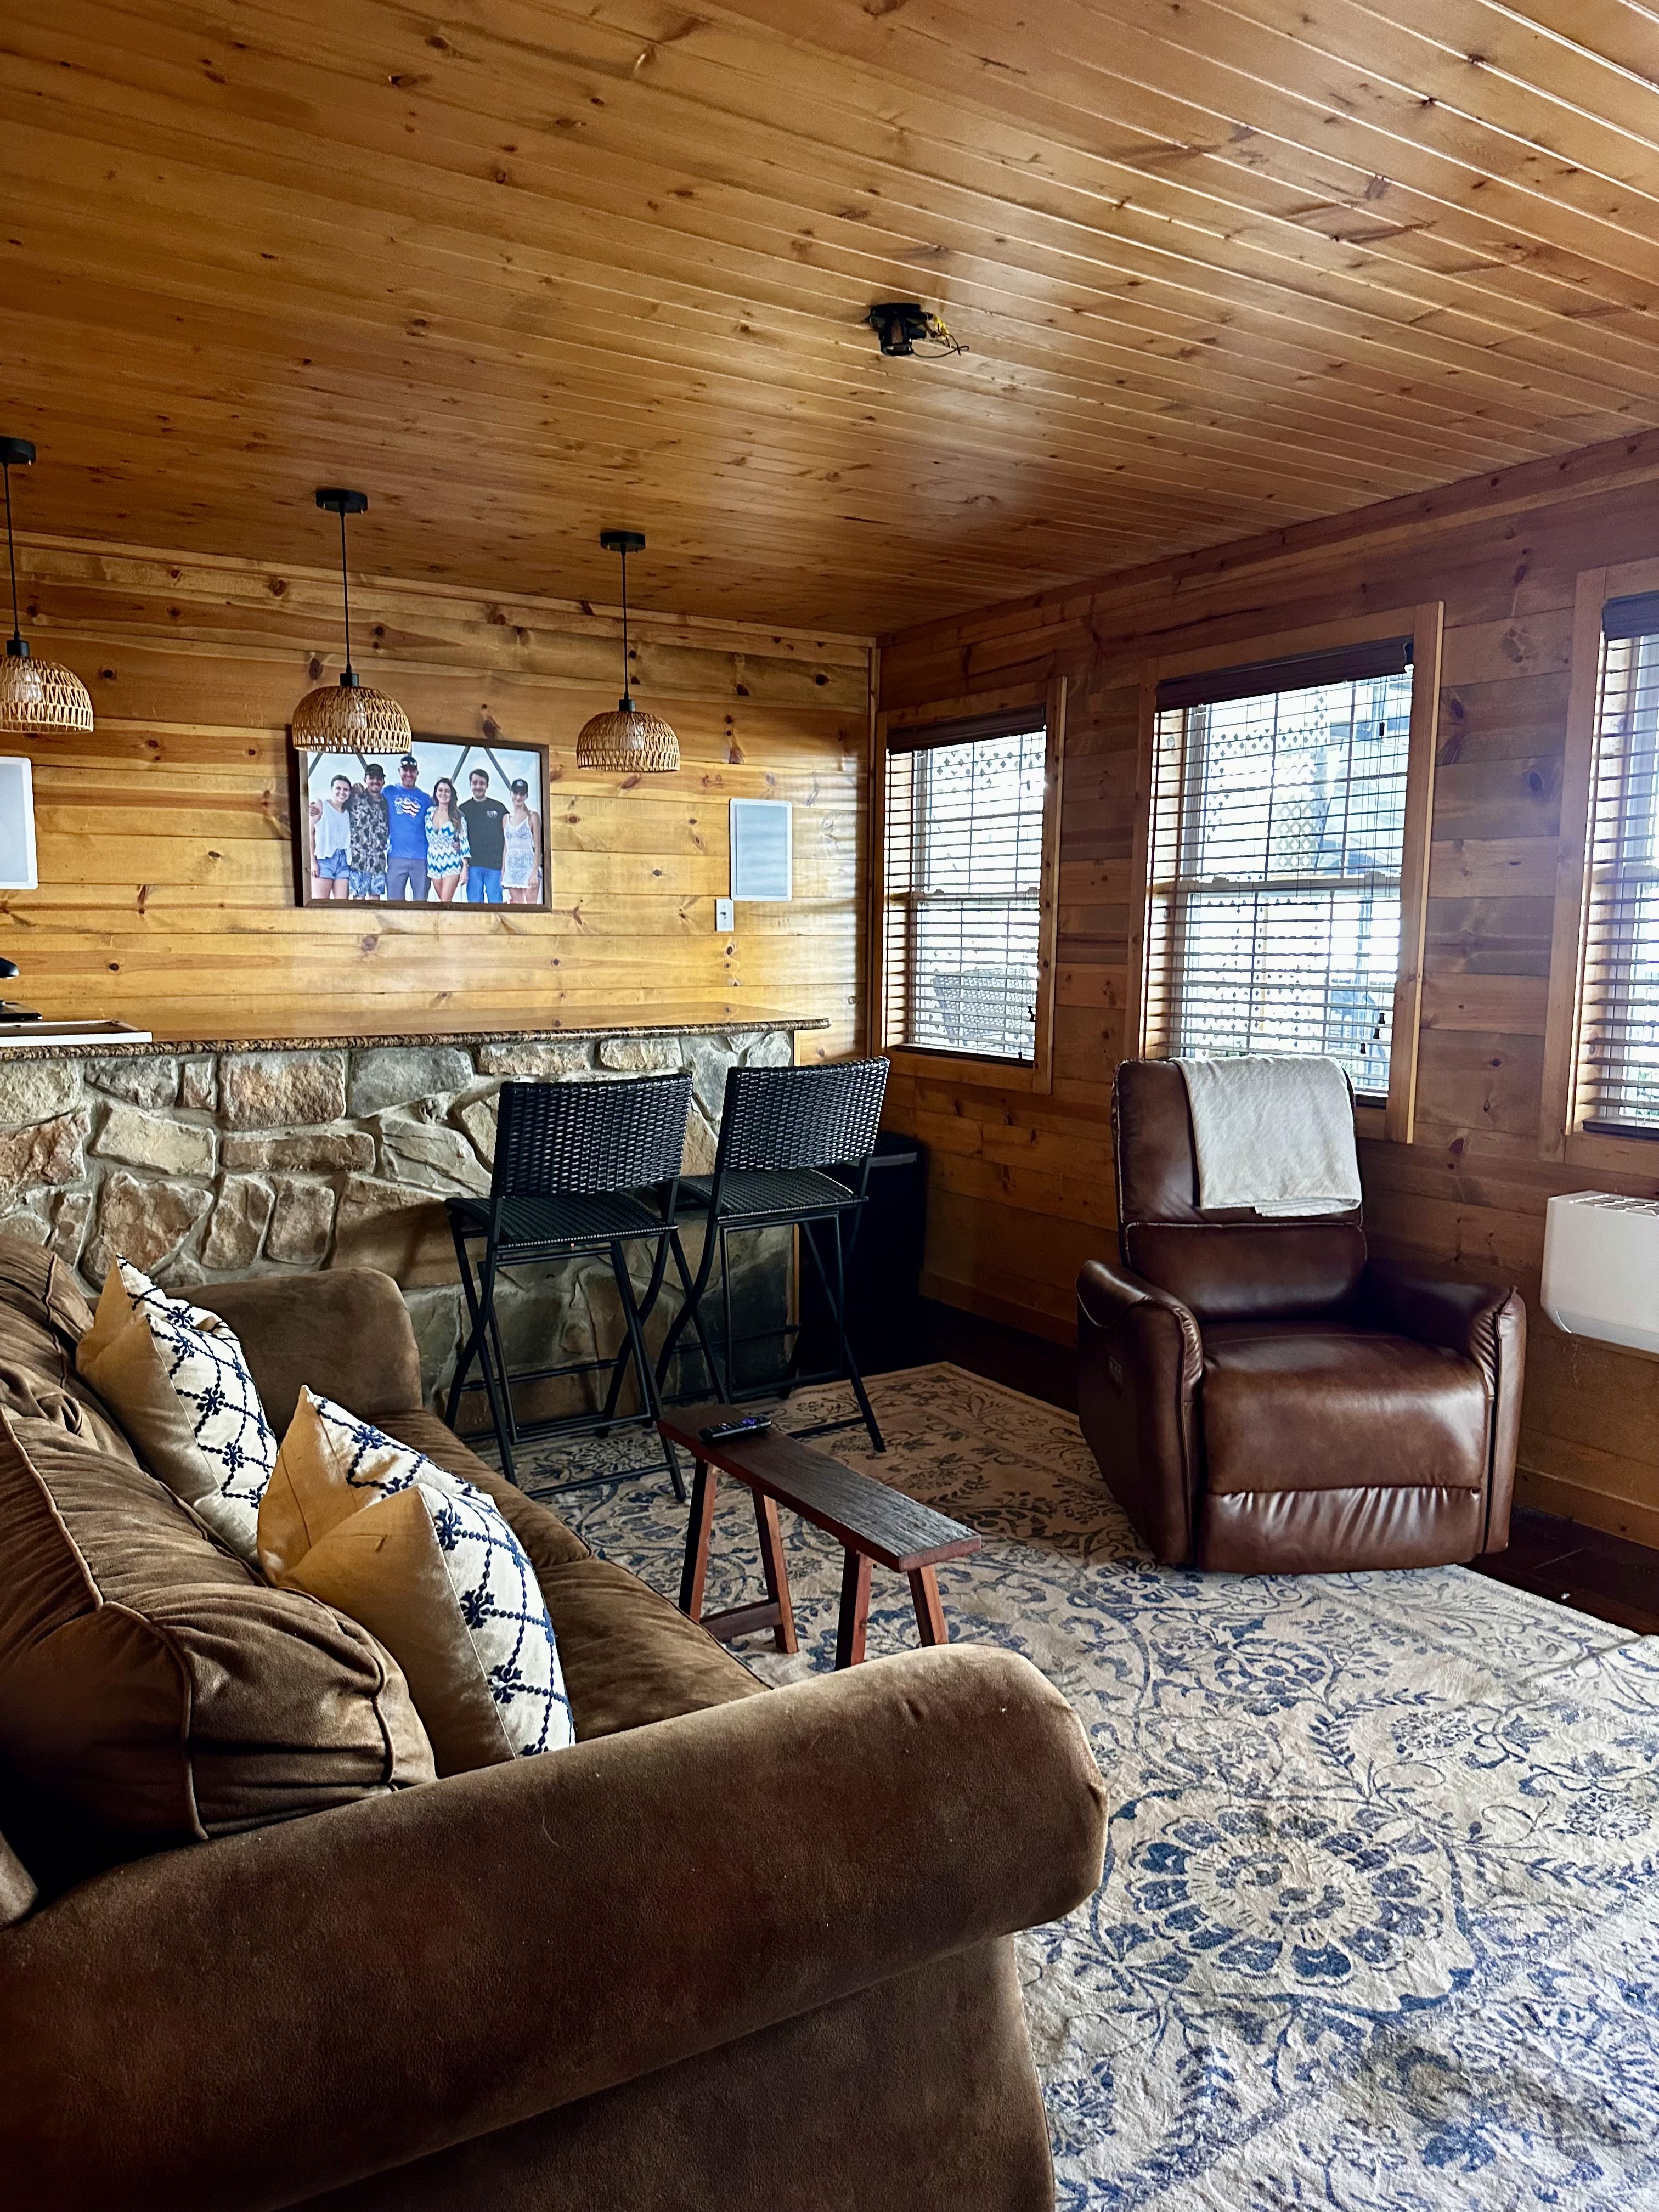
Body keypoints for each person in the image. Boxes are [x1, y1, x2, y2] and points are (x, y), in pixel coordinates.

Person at [386, 754, 433, 902]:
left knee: (421, 903)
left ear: (417, 773)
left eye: (412, 771)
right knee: (393, 904)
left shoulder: (426, 799)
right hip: (396, 857)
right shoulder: (389, 792)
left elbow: (440, 820)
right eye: (405, 770)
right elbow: (370, 796)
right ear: (399, 771)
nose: (409, 774)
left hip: (421, 858)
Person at [460, 767, 507, 904]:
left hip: (495, 866)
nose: (478, 786)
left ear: (487, 785)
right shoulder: (463, 809)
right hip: (473, 866)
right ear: (470, 785)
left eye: (482, 783)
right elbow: (457, 835)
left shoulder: (499, 808)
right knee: (475, 907)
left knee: (496, 905)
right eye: (475, 783)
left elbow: (510, 834)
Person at [345, 763, 390, 901]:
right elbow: (337, 805)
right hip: (358, 859)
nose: (375, 781)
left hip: (378, 860)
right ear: (365, 780)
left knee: (376, 900)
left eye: (379, 778)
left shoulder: (385, 803)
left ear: (383, 782)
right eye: (372, 777)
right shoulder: (354, 798)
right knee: (358, 899)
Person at [425, 777, 470, 904]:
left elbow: (464, 841)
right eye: (440, 790)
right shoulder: (429, 814)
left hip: (451, 862)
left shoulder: (457, 816)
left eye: (447, 791)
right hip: (433, 862)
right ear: (436, 793)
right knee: (444, 903)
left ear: (451, 795)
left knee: (445, 901)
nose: (443, 794)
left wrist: (465, 868)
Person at [308, 773, 352, 901]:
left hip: (343, 861)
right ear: (332, 789)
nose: (342, 793)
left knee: (342, 905)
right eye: (338, 789)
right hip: (324, 859)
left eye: (346, 790)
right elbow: (310, 833)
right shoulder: (321, 806)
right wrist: (312, 862)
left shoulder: (349, 812)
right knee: (321, 903)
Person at [502, 776, 541, 904]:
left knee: (531, 906)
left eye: (522, 794)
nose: (518, 797)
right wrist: (504, 871)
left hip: (528, 868)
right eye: (516, 793)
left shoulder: (532, 817)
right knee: (517, 906)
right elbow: (506, 847)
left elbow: (538, 847)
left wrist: (534, 872)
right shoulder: (506, 819)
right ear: (511, 794)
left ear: (526, 796)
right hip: (512, 869)